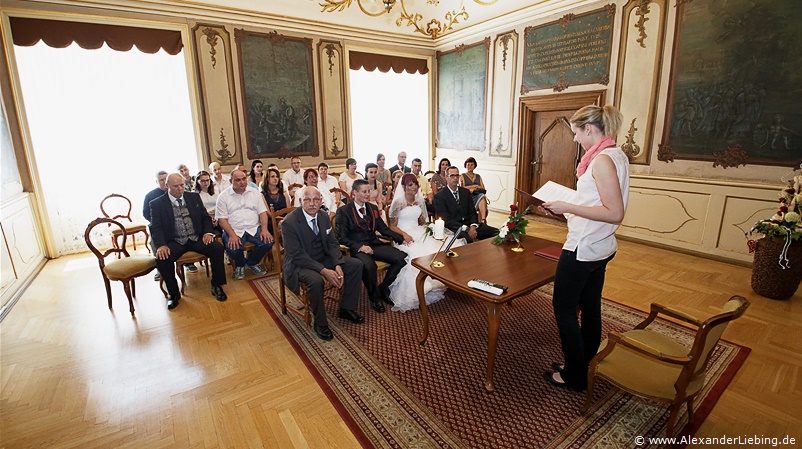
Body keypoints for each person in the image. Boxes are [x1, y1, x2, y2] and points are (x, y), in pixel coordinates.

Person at [540, 104, 629, 391]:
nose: (575, 139)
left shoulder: (601, 160)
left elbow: (614, 212)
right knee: (590, 307)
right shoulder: (616, 154)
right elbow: (596, 204)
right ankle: (586, 361)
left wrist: (567, 205)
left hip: (584, 246)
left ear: (588, 129)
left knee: (564, 309)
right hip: (600, 245)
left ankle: (574, 375)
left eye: (576, 133)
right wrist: (566, 211)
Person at [282, 187, 364, 341]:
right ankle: (320, 323)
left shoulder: (323, 216)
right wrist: (324, 270)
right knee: (316, 280)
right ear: (300, 201)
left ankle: (346, 308)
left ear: (321, 201)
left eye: (316, 199)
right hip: (299, 264)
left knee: (356, 265)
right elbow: (297, 255)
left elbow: (333, 243)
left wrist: (337, 263)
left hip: (323, 257)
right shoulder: (289, 222)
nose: (312, 203)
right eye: (307, 199)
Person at [387, 173, 464, 312]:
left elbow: (422, 221)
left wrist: (431, 228)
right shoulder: (398, 202)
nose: (414, 187)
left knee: (441, 247)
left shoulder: (418, 200)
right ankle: (419, 288)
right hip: (403, 234)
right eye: (410, 185)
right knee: (417, 254)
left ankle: (440, 281)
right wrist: (404, 234)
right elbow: (392, 226)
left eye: (415, 184)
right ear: (403, 186)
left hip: (418, 231)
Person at [149, 173, 227, 309]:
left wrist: (208, 233)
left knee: (217, 248)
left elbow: (205, 218)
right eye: (175, 186)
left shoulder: (193, 197)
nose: (180, 188)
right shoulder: (157, 204)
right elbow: (155, 227)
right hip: (175, 241)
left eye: (182, 185)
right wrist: (161, 245)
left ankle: (217, 285)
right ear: (167, 186)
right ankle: (173, 293)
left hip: (196, 237)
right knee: (162, 259)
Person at [335, 179, 406, 313]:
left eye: (369, 191)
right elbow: (341, 237)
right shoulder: (344, 211)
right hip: (355, 248)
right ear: (355, 192)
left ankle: (382, 288)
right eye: (364, 191)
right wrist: (360, 247)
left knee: (401, 258)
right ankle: (374, 297)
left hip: (374, 244)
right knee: (369, 266)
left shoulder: (373, 208)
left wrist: (400, 237)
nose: (368, 194)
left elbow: (383, 228)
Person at [216, 169, 273, 280]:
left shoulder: (255, 193)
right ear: (231, 181)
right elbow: (222, 220)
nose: (242, 182)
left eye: (243, 179)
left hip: (254, 227)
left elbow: (262, 213)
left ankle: (252, 262)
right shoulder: (223, 197)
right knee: (232, 247)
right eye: (238, 180)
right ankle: (240, 264)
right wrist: (232, 235)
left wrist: (265, 229)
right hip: (233, 229)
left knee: (268, 242)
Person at [433, 166, 498, 243]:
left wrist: (473, 226)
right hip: (455, 227)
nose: (455, 178)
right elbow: (446, 220)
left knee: (496, 232)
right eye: (452, 176)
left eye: (457, 175)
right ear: (446, 177)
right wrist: (466, 228)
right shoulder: (440, 196)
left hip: (470, 225)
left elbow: (473, 212)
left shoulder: (465, 192)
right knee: (467, 240)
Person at [143, 170, 169, 281]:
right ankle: (160, 267)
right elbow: (146, 212)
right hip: (158, 224)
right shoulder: (150, 195)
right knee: (154, 241)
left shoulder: (175, 191)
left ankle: (188, 263)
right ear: (156, 182)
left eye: (165, 179)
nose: (163, 182)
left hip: (175, 224)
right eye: (161, 180)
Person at [460, 157, 488, 223]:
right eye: (468, 165)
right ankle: (483, 220)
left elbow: (483, 188)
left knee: (482, 196)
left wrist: (473, 188)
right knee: (482, 197)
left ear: (474, 166)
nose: (469, 166)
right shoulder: (462, 176)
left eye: (471, 165)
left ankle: (483, 220)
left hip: (478, 195)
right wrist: (474, 186)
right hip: (468, 197)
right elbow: (462, 188)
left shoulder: (478, 176)